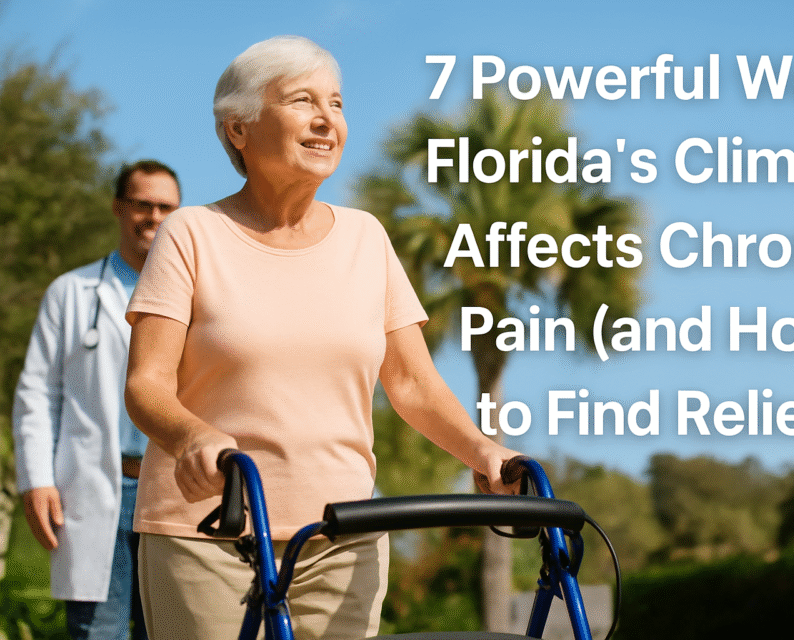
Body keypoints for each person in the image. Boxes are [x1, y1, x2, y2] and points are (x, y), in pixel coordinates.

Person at [123, 35, 522, 640]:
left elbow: (412, 385)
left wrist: (484, 452)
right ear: (238, 129)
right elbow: (146, 384)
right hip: (209, 531)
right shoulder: (191, 234)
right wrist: (193, 435)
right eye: (301, 100)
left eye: (336, 103)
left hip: (344, 536)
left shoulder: (366, 239)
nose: (325, 120)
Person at [12, 160, 182, 640]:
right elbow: (37, 394)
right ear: (118, 207)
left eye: (166, 206)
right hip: (93, 488)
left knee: (176, 629)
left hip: (170, 491)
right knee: (97, 633)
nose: (154, 216)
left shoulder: (195, 295)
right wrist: (37, 480)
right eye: (142, 204)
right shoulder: (71, 293)